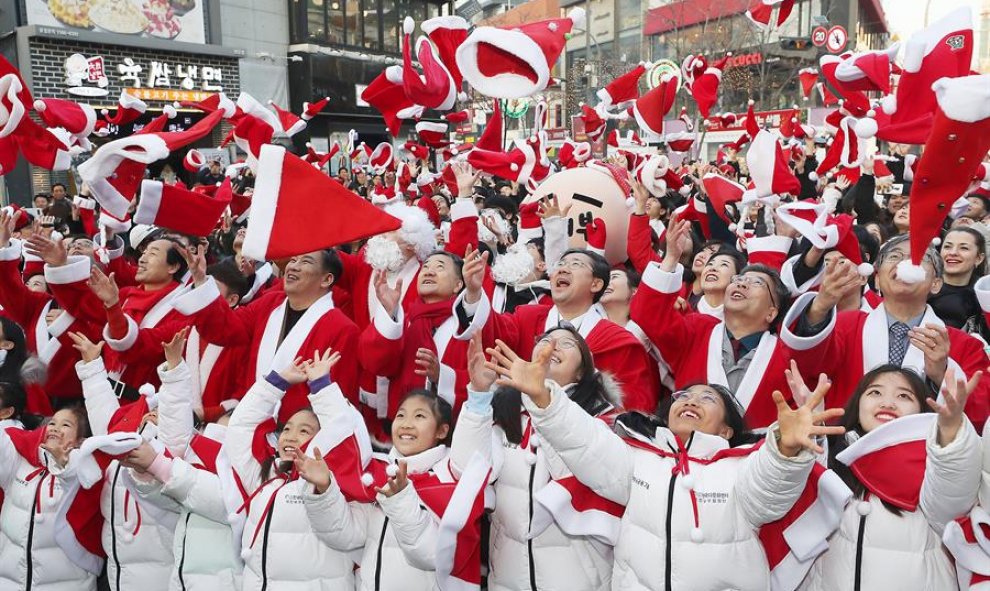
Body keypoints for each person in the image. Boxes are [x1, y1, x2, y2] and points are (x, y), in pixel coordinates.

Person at [482, 337, 842, 590]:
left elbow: (769, 491)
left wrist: (784, 449)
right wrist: (544, 397)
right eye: (683, 395)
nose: (690, 401)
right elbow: (585, 442)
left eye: (707, 398)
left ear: (728, 427)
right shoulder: (640, 456)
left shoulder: (740, 465)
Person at [452, 329, 621, 590]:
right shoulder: (506, 412)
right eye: (544, 341)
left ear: (581, 372)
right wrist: (478, 394)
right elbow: (467, 474)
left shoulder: (603, 418)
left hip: (579, 579)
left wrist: (545, 402)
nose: (552, 346)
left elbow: (597, 478)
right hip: (508, 577)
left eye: (566, 343)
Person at [629, 217, 823, 428]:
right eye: (737, 280)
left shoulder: (787, 355)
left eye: (756, 282)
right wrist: (671, 258)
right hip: (685, 452)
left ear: (771, 312)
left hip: (753, 457)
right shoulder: (697, 329)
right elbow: (647, 314)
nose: (741, 283)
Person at [802, 364, 983, 591]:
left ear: (921, 411)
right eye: (875, 392)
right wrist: (810, 430)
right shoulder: (831, 457)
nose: (887, 403)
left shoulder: (936, 464)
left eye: (903, 396)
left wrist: (950, 432)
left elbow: (952, 502)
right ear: (858, 404)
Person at [788, 233, 990, 428]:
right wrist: (819, 308)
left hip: (924, 453)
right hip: (844, 447)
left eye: (920, 257)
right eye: (894, 256)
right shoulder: (844, 325)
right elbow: (804, 367)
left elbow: (981, 413)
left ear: (936, 284)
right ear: (876, 279)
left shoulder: (966, 344)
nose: (905, 263)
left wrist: (942, 373)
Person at [456, 244, 659, 412]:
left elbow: (634, 410)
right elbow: (492, 332)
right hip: (520, 440)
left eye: (576, 264)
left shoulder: (620, 343)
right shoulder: (527, 317)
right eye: (560, 264)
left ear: (596, 284)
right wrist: (474, 293)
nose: (562, 269)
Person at [223, 349, 363, 590]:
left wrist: (321, 386)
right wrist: (275, 383)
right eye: (286, 429)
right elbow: (240, 427)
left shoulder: (333, 481)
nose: (291, 437)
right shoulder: (265, 476)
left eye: (304, 431)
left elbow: (341, 432)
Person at [173, 247, 361, 422]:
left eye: (305, 262)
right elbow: (224, 329)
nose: (293, 266)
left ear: (326, 279)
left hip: (300, 437)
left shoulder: (343, 329)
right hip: (251, 425)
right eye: (293, 260)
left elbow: (337, 401)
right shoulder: (269, 304)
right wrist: (201, 281)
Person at [297, 387, 457, 591]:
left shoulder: (448, 479)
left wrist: (400, 499)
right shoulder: (377, 472)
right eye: (401, 415)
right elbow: (344, 535)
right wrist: (324, 489)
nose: (406, 424)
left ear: (442, 431)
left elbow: (433, 556)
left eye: (419, 416)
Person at [123, 330, 243, 591]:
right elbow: (174, 449)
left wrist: (158, 465)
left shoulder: (247, 470)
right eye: (219, 428)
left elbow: (221, 502)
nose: (221, 436)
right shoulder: (191, 463)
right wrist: (146, 472)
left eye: (232, 429)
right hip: (182, 579)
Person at [71, 333, 176, 591]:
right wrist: (93, 366)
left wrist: (175, 369)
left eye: (164, 413)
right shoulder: (118, 444)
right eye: (151, 410)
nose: (153, 415)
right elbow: (102, 411)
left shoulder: (175, 452)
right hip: (116, 569)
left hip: (163, 572)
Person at [360, 250, 475, 418]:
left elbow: (481, 382)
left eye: (440, 267)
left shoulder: (468, 327)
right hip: (404, 424)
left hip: (451, 429)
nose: (429, 271)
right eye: (426, 267)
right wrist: (388, 311)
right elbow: (375, 364)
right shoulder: (402, 321)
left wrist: (441, 376)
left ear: (458, 285)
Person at [0, 404, 101, 590]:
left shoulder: (88, 473)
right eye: (52, 422)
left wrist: (65, 464)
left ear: (80, 440)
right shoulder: (20, 461)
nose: (55, 427)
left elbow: (81, 492)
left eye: (66, 425)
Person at [930, 227, 990, 340]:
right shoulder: (922, 287)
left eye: (964, 248)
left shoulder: (984, 293)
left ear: (979, 258)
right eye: (947, 246)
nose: (953, 253)